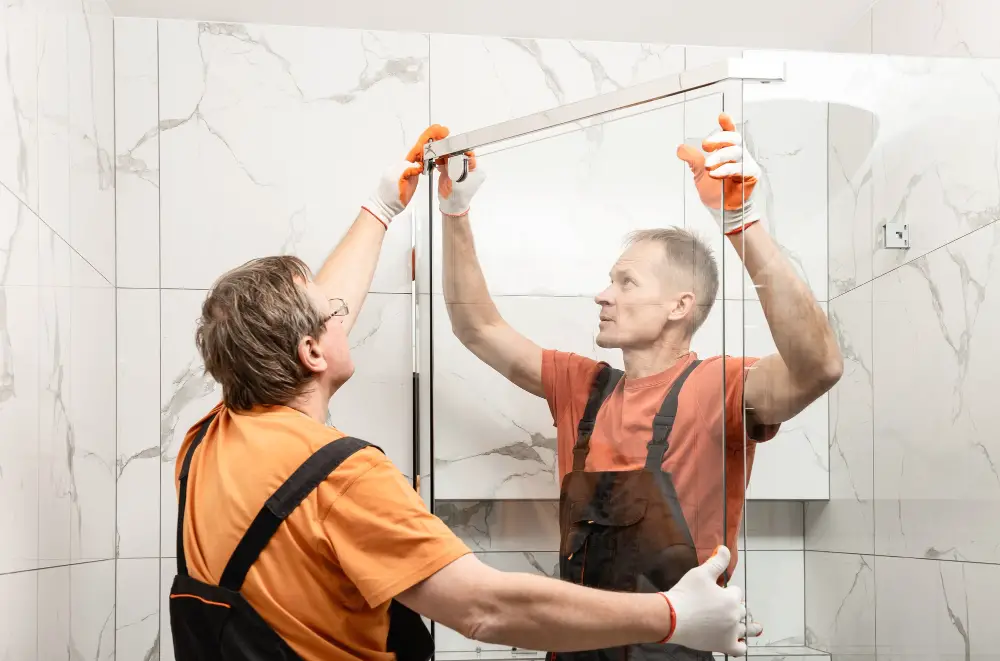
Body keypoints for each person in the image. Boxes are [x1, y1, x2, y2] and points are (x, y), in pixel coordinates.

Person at [167, 125, 757, 661]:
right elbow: (484, 608)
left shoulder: (208, 441)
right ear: (312, 352)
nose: (345, 310)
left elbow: (292, 326)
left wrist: (381, 208)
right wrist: (674, 614)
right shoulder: (341, 475)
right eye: (336, 314)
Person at [439, 115, 843, 661]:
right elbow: (478, 327)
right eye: (609, 280)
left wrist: (742, 222)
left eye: (625, 282)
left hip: (678, 649)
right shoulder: (582, 386)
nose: (602, 295)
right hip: (575, 648)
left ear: (680, 306)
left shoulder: (722, 386)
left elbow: (819, 366)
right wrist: (455, 214)